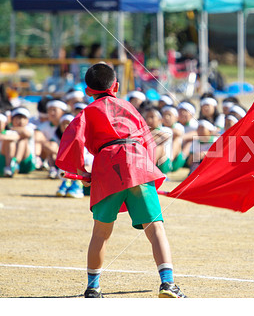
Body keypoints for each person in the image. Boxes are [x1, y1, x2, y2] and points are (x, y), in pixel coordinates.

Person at [55, 63, 185, 298]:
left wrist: (82, 172)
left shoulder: (88, 111)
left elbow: (73, 140)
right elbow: (148, 140)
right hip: (137, 164)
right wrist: (150, 168)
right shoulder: (129, 107)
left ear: (87, 91)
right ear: (116, 86)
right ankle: (168, 284)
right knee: (155, 229)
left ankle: (93, 288)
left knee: (101, 233)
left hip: (107, 166)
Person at [35, 100, 68, 179]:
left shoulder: (70, 124)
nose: (51, 113)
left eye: (54, 110)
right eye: (49, 110)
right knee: (50, 146)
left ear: (63, 112)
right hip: (50, 154)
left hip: (67, 156)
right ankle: (50, 167)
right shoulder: (44, 126)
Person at [0, 107, 35, 177]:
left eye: (24, 118)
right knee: (10, 142)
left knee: (23, 140)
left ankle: (15, 162)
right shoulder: (7, 132)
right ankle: (10, 166)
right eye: (18, 118)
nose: (21, 121)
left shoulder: (30, 128)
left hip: (26, 162)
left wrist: (11, 129)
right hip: (4, 162)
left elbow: (25, 133)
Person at [144, 107, 173, 174]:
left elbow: (165, 137)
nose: (149, 119)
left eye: (152, 117)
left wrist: (152, 132)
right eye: (147, 117)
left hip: (164, 163)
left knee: (159, 147)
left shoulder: (165, 130)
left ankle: (149, 171)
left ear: (160, 120)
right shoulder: (144, 131)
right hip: (148, 160)